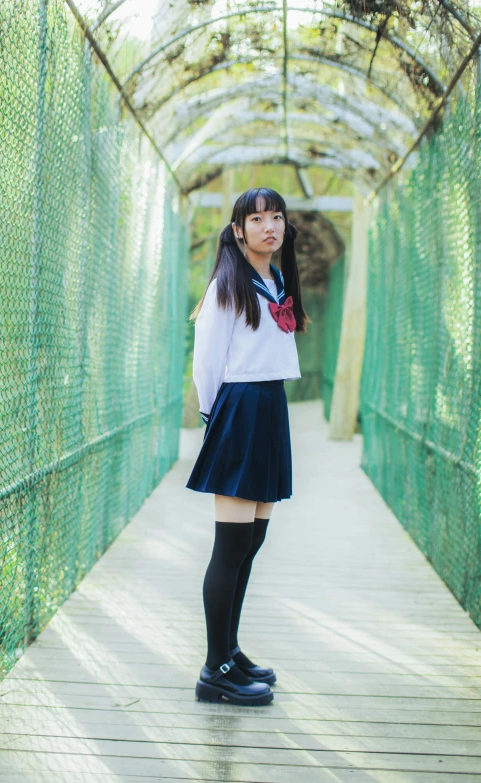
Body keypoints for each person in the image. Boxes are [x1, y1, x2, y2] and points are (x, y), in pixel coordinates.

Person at [185, 187, 310, 706]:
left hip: (270, 409)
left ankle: (230, 653)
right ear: (238, 231)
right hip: (237, 411)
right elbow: (206, 362)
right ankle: (214, 670)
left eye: (276, 217)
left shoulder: (276, 279)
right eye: (256, 219)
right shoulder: (226, 285)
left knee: (252, 542)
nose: (268, 226)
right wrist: (217, 421)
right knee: (230, 546)